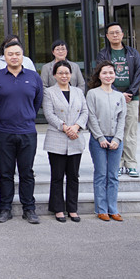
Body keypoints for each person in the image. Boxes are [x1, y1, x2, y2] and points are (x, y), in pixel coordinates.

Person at [0, 40, 43, 224]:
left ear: (22, 56)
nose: (14, 57)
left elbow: (37, 102)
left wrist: (27, 116)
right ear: (4, 57)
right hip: (4, 131)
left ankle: (29, 209)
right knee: (5, 172)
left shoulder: (33, 77)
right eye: (10, 54)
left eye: (17, 54)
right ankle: (5, 209)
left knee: (27, 172)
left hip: (27, 131)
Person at [42, 60, 88, 223]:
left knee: (73, 176)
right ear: (54, 75)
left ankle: (72, 208)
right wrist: (65, 127)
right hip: (57, 138)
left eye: (67, 73)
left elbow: (85, 111)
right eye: (60, 73)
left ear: (71, 74)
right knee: (57, 176)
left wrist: (76, 126)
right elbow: (49, 114)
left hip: (76, 138)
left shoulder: (78, 92)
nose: (64, 76)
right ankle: (58, 209)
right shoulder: (49, 92)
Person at [97, 22, 140, 178]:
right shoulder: (103, 54)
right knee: (115, 131)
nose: (115, 35)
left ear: (122, 34)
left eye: (118, 32)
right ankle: (117, 164)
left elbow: (139, 73)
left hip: (131, 98)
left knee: (130, 131)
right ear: (107, 36)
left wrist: (129, 92)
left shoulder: (133, 53)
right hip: (111, 98)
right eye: (112, 33)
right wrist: (118, 94)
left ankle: (131, 164)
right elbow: (101, 74)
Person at [87, 61, 126, 222]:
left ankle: (113, 209)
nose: (108, 76)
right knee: (101, 174)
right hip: (98, 141)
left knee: (113, 176)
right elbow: (91, 117)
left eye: (111, 73)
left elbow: (122, 119)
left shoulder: (119, 96)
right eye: (104, 73)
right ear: (99, 75)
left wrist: (117, 139)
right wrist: (100, 137)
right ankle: (101, 209)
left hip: (116, 141)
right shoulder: (92, 94)